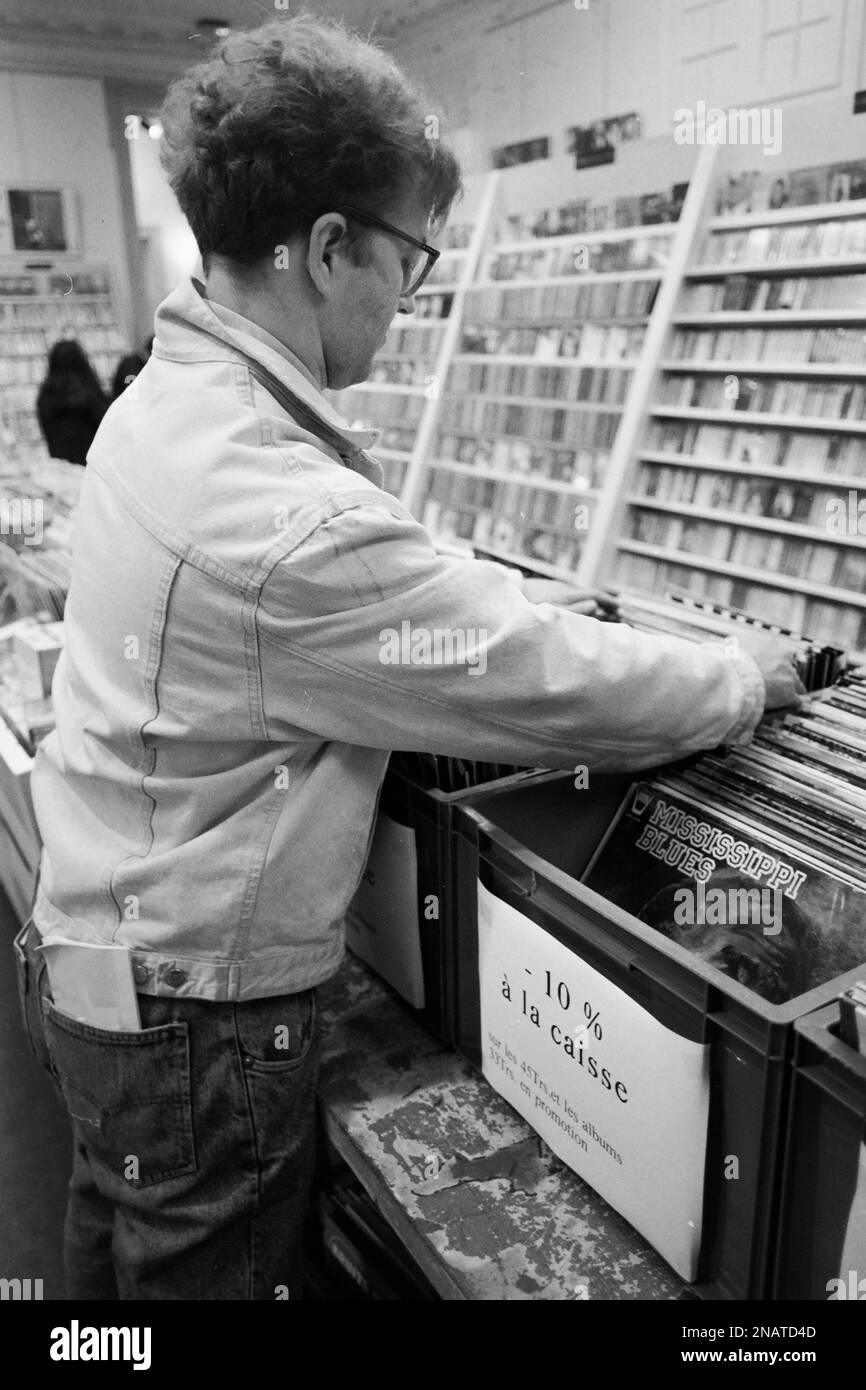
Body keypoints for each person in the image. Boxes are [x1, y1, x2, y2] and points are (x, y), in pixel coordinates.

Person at [17, 13, 804, 1302]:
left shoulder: (163, 405)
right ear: (326, 250)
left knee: (110, 1270)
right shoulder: (282, 519)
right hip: (197, 1018)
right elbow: (527, 675)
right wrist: (736, 679)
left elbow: (394, 587)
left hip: (99, 965)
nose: (406, 299)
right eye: (408, 261)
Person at [35, 339, 108, 465]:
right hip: (91, 465)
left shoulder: (47, 394)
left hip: (61, 465)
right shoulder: (89, 392)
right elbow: (105, 423)